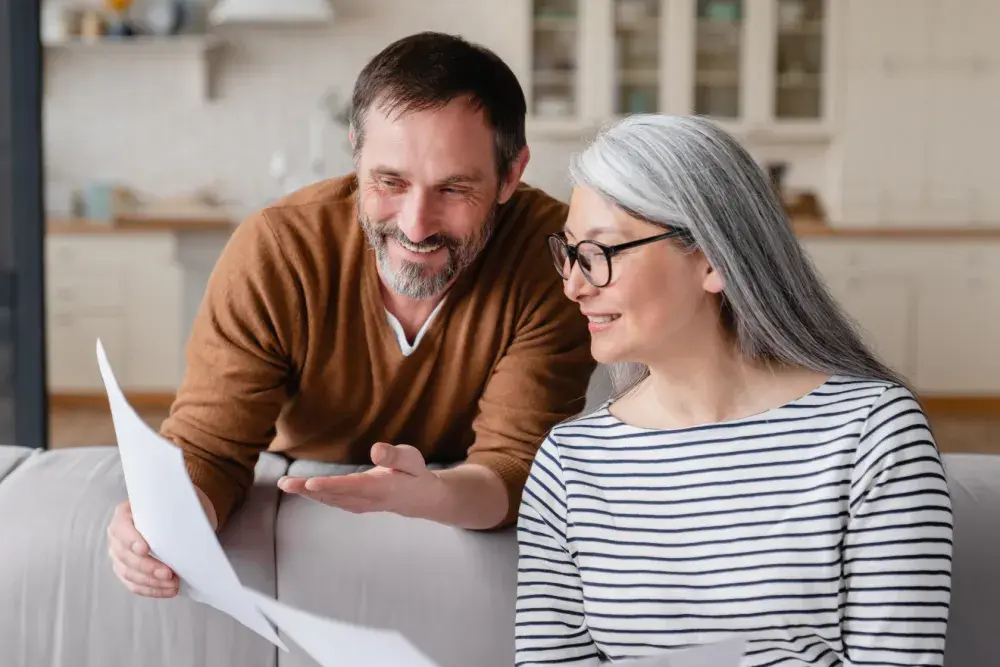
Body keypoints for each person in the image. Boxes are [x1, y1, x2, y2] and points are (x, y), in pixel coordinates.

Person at [105, 32, 595, 599]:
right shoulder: (279, 248)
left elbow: (513, 465)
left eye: (454, 189)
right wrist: (168, 523)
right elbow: (211, 449)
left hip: (460, 505)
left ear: (511, 174)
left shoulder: (551, 258)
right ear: (356, 153)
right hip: (298, 486)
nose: (415, 226)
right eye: (389, 182)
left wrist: (432, 495)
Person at [515, 115, 953, 666]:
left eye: (603, 252)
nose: (575, 285)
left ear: (714, 261)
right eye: (571, 252)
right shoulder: (570, 462)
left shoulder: (872, 435)